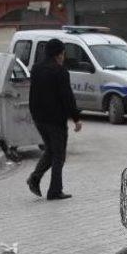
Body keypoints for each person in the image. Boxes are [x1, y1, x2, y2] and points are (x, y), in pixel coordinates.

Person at [27, 38, 82, 200]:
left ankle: (35, 178)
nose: (63, 56)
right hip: (55, 120)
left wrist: (34, 113)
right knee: (59, 155)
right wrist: (76, 118)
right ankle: (55, 190)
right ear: (59, 54)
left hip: (39, 118)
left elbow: (32, 94)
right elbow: (67, 97)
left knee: (51, 151)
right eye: (63, 53)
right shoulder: (60, 71)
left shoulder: (36, 69)